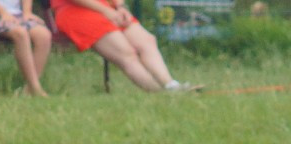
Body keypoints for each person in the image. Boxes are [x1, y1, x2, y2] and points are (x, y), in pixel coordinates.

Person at [49, 0, 200, 92]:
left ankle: (171, 85)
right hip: (75, 11)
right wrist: (107, 11)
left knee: (147, 40)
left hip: (107, 9)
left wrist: (121, 7)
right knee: (126, 53)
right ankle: (159, 93)